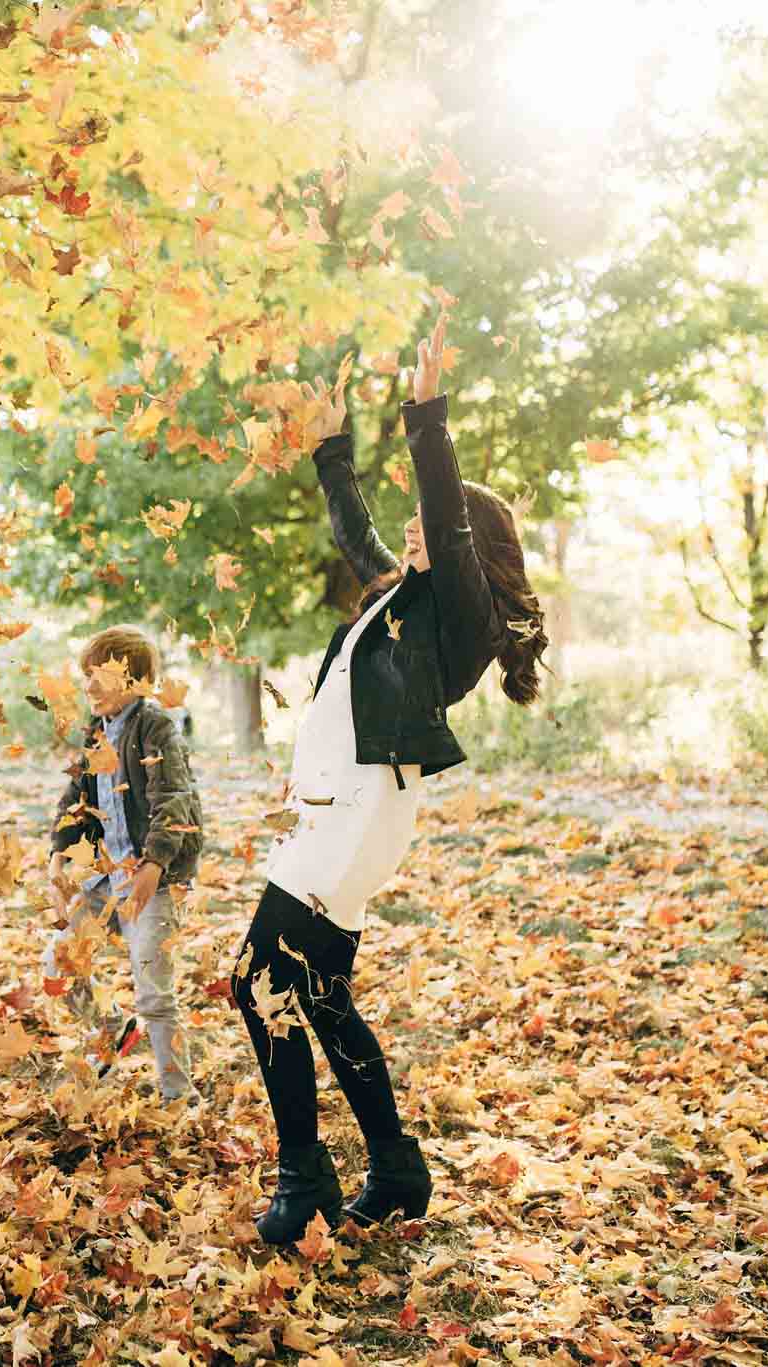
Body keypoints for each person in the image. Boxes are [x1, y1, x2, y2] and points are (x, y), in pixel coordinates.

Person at [231, 325, 548, 1244]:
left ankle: (303, 1178)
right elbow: (357, 530)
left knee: (258, 978)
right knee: (317, 991)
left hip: (360, 813)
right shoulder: (396, 599)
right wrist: (334, 449)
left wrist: (427, 412)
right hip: (334, 813)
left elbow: (441, 516)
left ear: (465, 547)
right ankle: (398, 1164)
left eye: (433, 527)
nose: (411, 530)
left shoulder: (462, 614)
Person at [44, 626, 204, 1102]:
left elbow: (173, 799)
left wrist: (154, 864)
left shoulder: (155, 727)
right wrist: (58, 851)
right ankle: (112, 1026)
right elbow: (75, 799)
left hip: (152, 879)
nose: (88, 686)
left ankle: (180, 1096)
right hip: (104, 876)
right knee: (59, 960)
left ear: (132, 680)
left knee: (154, 990)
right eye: (86, 675)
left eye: (99, 675)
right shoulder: (97, 732)